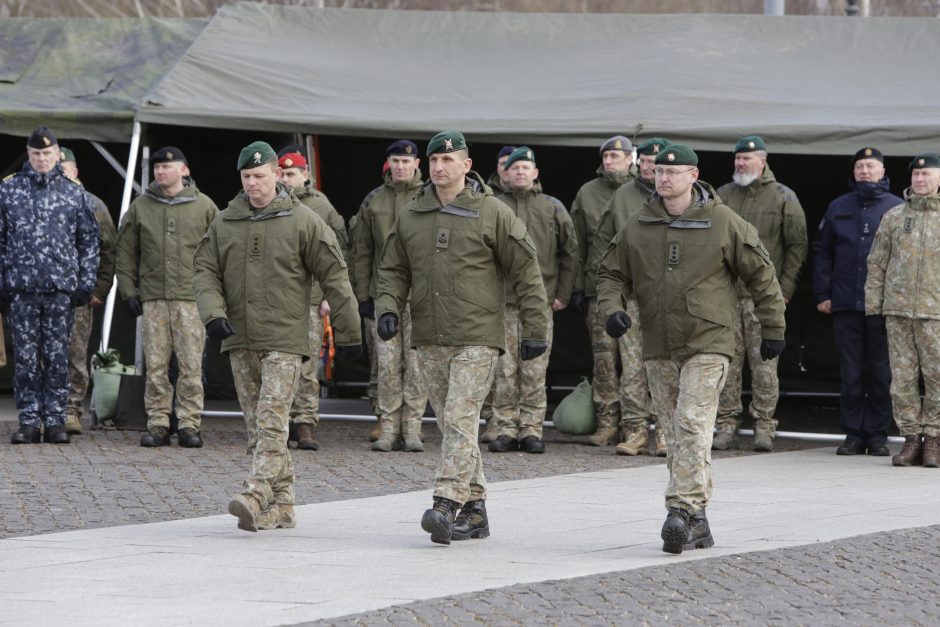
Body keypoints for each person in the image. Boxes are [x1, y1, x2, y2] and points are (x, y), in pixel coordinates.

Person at [596, 144, 785, 554]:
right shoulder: (638, 223)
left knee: (691, 423)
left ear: (693, 175)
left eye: (673, 172)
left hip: (709, 340)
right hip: (658, 340)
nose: (663, 179)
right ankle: (697, 519)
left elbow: (762, 274)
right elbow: (610, 273)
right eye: (659, 173)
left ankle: (679, 510)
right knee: (674, 429)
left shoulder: (722, 221)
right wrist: (613, 310)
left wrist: (773, 327)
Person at [376, 130, 548, 544]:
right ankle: (475, 511)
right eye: (434, 161)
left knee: (459, 417)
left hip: (477, 335)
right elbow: (393, 269)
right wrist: (387, 307)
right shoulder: (412, 213)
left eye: (448, 161)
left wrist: (535, 327)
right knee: (454, 423)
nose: (439, 167)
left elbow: (526, 271)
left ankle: (445, 501)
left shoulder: (493, 212)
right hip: (430, 333)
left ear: (467, 166)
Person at [194, 141, 361, 531]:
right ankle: (283, 504)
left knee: (271, 418)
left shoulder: (303, 220)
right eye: (246, 177)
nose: (253, 183)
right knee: (256, 424)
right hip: (240, 337)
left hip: (286, 337)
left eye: (259, 176)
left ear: (276, 175)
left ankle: (255, 492)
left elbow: (334, 275)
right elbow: (203, 269)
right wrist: (213, 315)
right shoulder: (225, 221)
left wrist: (350, 334)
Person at [0, 126, 99, 445]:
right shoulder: (9, 191)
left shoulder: (73, 192)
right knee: (27, 359)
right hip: (22, 289)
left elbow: (89, 241)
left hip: (60, 290)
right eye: (36, 154)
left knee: (58, 357)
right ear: (28, 155)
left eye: (47, 153)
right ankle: (29, 420)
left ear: (57, 154)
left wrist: (85, 284)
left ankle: (56, 419)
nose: (42, 159)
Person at [115, 147, 219, 448]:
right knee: (156, 365)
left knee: (190, 365)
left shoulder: (204, 207)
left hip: (191, 299)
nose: (161, 172)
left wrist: (213, 295)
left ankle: (189, 424)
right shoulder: (141, 206)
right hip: (155, 299)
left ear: (183, 170)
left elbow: (220, 253)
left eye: (167, 167)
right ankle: (158, 422)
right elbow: (125, 252)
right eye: (157, 167)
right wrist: (128, 291)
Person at [714, 135, 807, 452]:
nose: (741, 163)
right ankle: (726, 424)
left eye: (747, 159)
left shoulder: (783, 197)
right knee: (726, 363)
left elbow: (797, 246)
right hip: (725, 296)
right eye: (737, 158)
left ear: (763, 162)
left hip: (763, 298)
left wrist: (785, 289)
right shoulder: (722, 195)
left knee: (765, 364)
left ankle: (765, 425)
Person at [488, 146, 578, 454]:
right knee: (504, 369)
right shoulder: (493, 206)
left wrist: (563, 294)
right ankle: (504, 429)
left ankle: (531, 429)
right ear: (506, 173)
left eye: (526, 168)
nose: (520, 172)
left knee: (534, 369)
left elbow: (570, 252)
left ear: (536, 173)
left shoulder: (552, 207)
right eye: (515, 168)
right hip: (501, 303)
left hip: (538, 303)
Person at [813, 147, 900, 457]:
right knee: (850, 371)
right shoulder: (838, 207)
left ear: (882, 171)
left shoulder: (896, 209)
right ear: (853, 172)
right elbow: (823, 252)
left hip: (882, 306)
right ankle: (853, 434)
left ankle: (877, 435)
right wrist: (823, 294)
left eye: (871, 166)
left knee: (880, 372)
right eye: (860, 166)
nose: (865, 171)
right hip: (846, 303)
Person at [586, 137, 668, 456]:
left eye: (657, 163)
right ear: (638, 162)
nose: (651, 167)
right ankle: (635, 430)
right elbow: (604, 246)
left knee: (662, 366)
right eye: (646, 161)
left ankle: (663, 430)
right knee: (632, 367)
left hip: (666, 298)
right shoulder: (623, 196)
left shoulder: (680, 196)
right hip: (632, 296)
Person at [352, 140, 429, 452]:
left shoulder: (429, 197)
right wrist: (362, 296)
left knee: (416, 365)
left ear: (416, 164)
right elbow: (361, 251)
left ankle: (413, 428)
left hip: (421, 297)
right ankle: (387, 428)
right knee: (386, 365)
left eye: (405, 161)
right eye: (395, 161)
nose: (400, 166)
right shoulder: (374, 200)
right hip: (384, 294)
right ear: (388, 165)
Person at [866, 153, 940, 468]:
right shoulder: (894, 216)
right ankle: (911, 439)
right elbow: (877, 263)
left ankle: (934, 439)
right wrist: (873, 308)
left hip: (935, 312)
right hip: (897, 312)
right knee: (903, 379)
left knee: (937, 377)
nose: (920, 180)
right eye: (915, 176)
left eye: (926, 175)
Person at [278, 150, 348, 451]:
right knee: (276, 365)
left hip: (310, 299)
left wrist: (329, 296)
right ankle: (277, 425)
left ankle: (305, 423)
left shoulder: (321, 207)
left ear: (306, 175)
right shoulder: (266, 204)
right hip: (277, 300)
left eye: (291, 173)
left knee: (307, 366)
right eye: (281, 173)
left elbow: (336, 256)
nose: (285, 178)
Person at [59, 147, 118, 435]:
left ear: (75, 171)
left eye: (65, 168)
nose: (60, 173)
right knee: (44, 354)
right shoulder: (40, 201)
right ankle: (46, 409)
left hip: (78, 296)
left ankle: (71, 410)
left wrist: (100, 288)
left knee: (75, 353)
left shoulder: (94, 205)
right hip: (45, 293)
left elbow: (109, 251)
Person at [479, 144, 518, 442]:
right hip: (491, 298)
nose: (509, 170)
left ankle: (521, 424)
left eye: (515, 164)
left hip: (519, 296)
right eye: (505, 164)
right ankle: (493, 420)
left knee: (521, 369)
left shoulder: (547, 205)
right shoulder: (482, 201)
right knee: (492, 367)